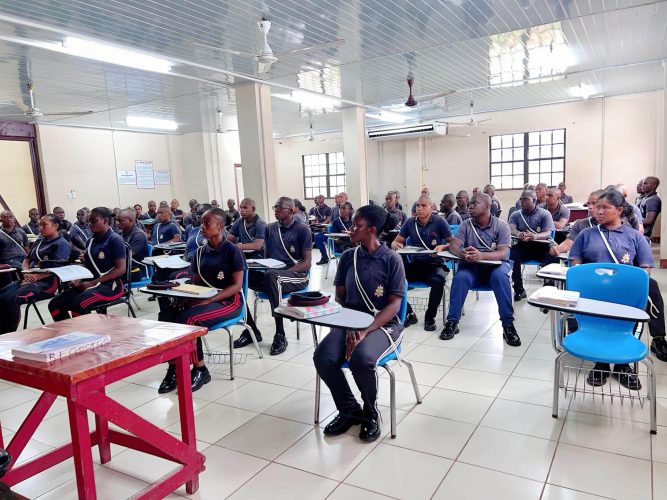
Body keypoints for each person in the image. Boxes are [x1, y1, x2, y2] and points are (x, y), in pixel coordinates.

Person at [313, 204, 406, 442]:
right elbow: (340, 298)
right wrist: (346, 327)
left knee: (361, 358)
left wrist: (365, 330)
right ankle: (349, 409)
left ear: (372, 230)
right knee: (322, 356)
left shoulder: (391, 259)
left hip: (384, 325)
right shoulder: (347, 257)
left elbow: (394, 305)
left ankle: (370, 413)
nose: (350, 229)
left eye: (357, 225)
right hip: (350, 323)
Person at [569, 190, 664, 389]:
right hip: (594, 295)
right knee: (598, 324)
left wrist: (623, 285)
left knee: (635, 313)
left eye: (605, 207)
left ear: (619, 210)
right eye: (597, 207)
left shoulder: (635, 238)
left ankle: (623, 364)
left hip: (625, 296)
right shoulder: (586, 235)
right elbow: (575, 269)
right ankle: (600, 363)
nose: (598, 211)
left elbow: (644, 272)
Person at [157, 208, 245, 393]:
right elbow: (197, 285)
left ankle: (200, 369)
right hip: (207, 298)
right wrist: (186, 298)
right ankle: (173, 367)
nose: (202, 227)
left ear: (220, 226)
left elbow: (236, 286)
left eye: (207, 223)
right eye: (201, 223)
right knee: (166, 315)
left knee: (188, 320)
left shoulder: (232, 251)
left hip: (228, 302)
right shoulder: (199, 252)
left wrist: (210, 299)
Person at [233, 197, 311, 355]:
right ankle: (251, 329)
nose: (275, 209)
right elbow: (267, 258)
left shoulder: (303, 229)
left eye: (279, 207)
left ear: (289, 210)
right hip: (273, 274)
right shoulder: (270, 228)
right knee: (240, 277)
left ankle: (280, 334)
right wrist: (258, 266)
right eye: (274, 206)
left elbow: (307, 262)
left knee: (272, 276)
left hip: (297, 275)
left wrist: (285, 272)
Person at [442, 193, 520, 346]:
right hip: (472, 267)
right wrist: (462, 253)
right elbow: (453, 246)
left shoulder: (501, 225)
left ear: (487, 206)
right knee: (460, 277)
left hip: (495, 267)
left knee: (500, 277)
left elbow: (503, 253)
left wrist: (481, 255)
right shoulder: (466, 224)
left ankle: (508, 326)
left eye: (475, 203)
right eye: (469, 203)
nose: (470, 206)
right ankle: (452, 322)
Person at [48, 207, 127, 320]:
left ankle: (84, 336)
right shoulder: (91, 240)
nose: (90, 223)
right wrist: (79, 278)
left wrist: (92, 283)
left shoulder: (115, 239)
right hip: (91, 282)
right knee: (55, 304)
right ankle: (68, 332)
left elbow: (121, 269)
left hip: (110, 286)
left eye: (94, 221)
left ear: (105, 221)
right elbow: (90, 266)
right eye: (89, 220)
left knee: (79, 304)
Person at [0, 214, 71, 334]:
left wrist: (35, 277)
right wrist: (26, 273)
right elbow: (27, 259)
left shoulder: (61, 244)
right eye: (40, 225)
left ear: (55, 226)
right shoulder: (40, 241)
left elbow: (58, 269)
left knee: (12, 299)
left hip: (47, 283)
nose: (40, 228)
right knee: (2, 296)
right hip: (29, 277)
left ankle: (8, 333)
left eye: (44, 225)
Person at [391, 195, 452, 331]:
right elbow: (396, 241)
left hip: (435, 264)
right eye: (418, 205)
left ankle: (430, 318)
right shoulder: (410, 222)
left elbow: (453, 243)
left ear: (432, 207)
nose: (420, 208)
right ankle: (409, 313)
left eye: (424, 206)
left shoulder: (439, 221)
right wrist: (396, 245)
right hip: (417, 264)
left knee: (438, 281)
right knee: (392, 278)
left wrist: (442, 247)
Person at [508, 189, 556, 301]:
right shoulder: (516, 214)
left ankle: (548, 287)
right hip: (523, 246)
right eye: (521, 199)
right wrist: (518, 233)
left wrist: (535, 236)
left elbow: (548, 232)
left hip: (541, 246)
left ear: (534, 201)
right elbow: (511, 227)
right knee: (512, 255)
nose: (522, 201)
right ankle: (519, 289)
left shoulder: (544, 214)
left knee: (552, 256)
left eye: (525, 199)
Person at [550, 190, 604, 258]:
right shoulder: (580, 224)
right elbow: (569, 243)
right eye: (588, 204)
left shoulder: (615, 226)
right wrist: (557, 249)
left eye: (594, 203)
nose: (590, 207)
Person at [116, 208, 149, 282]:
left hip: (136, 270)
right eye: (116, 220)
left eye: (120, 220)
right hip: (124, 267)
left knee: (106, 277)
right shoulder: (120, 234)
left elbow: (127, 255)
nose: (117, 223)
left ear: (131, 220)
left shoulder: (139, 235)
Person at [0, 210, 29, 288]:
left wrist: (30, 259)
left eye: (11, 217)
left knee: (35, 266)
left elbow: (26, 248)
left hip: (23, 258)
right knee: (22, 267)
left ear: (14, 219)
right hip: (8, 259)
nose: (8, 219)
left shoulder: (21, 232)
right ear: (1, 220)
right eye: (5, 217)